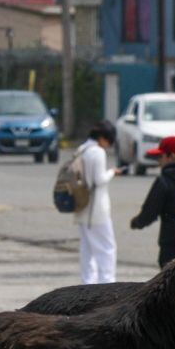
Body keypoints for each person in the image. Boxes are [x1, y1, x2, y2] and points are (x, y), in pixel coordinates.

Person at [130, 135, 175, 268]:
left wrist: (137, 222)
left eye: (161, 156)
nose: (159, 161)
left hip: (173, 243)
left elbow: (150, 211)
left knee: (171, 285)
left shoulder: (165, 180)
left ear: (172, 156)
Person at [76, 120, 119, 285]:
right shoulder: (97, 152)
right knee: (107, 248)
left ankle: (87, 283)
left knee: (87, 249)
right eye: (108, 141)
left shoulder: (81, 149)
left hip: (81, 206)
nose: (107, 145)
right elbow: (99, 180)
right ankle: (107, 283)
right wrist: (112, 172)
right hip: (96, 208)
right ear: (102, 138)